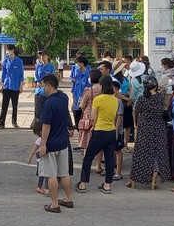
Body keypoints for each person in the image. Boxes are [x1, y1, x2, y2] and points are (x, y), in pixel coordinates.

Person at [37, 74, 74, 213]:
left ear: (49, 85)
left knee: (51, 174)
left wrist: (43, 144)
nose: (42, 88)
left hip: (51, 143)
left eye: (43, 85)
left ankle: (54, 204)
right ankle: (69, 198)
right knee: (64, 173)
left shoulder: (48, 103)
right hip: (63, 141)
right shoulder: (64, 97)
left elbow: (46, 125)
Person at [127, 74, 171, 189]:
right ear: (155, 85)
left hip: (144, 129)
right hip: (159, 128)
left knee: (140, 153)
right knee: (157, 154)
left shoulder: (141, 99)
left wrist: (137, 125)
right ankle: (153, 182)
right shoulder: (160, 97)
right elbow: (164, 110)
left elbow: (136, 113)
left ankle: (133, 179)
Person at [76, 75, 118, 195]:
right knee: (109, 159)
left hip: (99, 130)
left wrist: (94, 127)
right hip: (111, 131)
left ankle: (83, 183)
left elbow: (93, 118)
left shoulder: (98, 100)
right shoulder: (114, 99)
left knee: (88, 157)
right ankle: (107, 185)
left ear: (102, 85)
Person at [0, 44, 25, 129]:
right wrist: (1, 85)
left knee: (14, 106)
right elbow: (3, 75)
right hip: (6, 86)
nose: (7, 51)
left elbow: (21, 74)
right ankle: (1, 123)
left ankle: (14, 122)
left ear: (12, 50)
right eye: (7, 50)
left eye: (8, 50)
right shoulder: (5, 61)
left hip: (15, 87)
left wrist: (21, 86)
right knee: (4, 106)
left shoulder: (19, 61)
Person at [76, 70, 102, 152]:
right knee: (98, 145)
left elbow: (83, 105)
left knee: (86, 143)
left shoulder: (88, 90)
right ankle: (98, 164)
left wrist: (80, 103)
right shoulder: (102, 89)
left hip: (88, 116)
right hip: (100, 115)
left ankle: (87, 162)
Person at [70, 56, 91, 133]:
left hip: (84, 105)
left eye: (77, 63)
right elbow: (74, 89)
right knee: (77, 123)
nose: (76, 65)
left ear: (82, 64)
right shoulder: (77, 75)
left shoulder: (88, 76)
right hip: (76, 103)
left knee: (85, 125)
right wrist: (73, 102)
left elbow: (89, 91)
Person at [26, 125, 48, 195]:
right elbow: (34, 150)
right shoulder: (39, 140)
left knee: (46, 173)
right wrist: (29, 158)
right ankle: (41, 187)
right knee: (43, 173)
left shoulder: (46, 138)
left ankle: (45, 186)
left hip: (46, 157)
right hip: (41, 158)